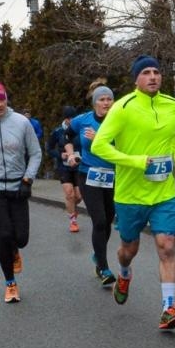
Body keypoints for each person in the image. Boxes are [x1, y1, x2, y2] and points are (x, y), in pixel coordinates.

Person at [90, 55, 175, 331]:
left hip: (163, 193)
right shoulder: (123, 107)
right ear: (136, 79)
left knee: (167, 246)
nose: (153, 76)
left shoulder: (172, 105)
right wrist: (135, 161)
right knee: (128, 250)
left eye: (156, 71)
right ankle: (124, 274)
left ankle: (168, 309)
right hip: (130, 195)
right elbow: (99, 145)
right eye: (146, 72)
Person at [0, 79, 43, 303]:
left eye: (1, 98)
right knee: (4, 234)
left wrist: (27, 179)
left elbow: (35, 153)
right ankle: (10, 283)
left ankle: (15, 250)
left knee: (20, 238)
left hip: (18, 184)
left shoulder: (22, 123)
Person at [71, 82, 117, 286]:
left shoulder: (119, 121)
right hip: (88, 175)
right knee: (98, 220)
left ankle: (98, 254)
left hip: (113, 176)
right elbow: (65, 134)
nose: (106, 102)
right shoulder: (83, 120)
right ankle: (103, 267)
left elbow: (125, 146)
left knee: (108, 220)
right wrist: (71, 152)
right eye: (102, 99)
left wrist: (99, 139)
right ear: (94, 102)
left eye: (109, 99)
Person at [49, 105, 84, 233]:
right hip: (64, 166)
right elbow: (49, 148)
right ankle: (73, 221)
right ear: (65, 119)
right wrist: (60, 155)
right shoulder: (57, 131)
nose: (71, 120)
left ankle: (72, 209)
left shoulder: (80, 130)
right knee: (69, 194)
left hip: (79, 166)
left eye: (73, 118)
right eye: (69, 118)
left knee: (79, 196)